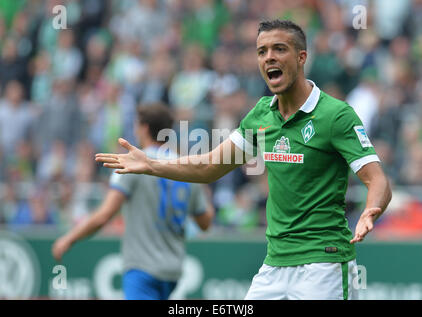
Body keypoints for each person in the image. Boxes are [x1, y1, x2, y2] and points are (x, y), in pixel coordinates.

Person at [95, 20, 392, 300]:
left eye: (279, 49)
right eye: (262, 51)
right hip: (275, 264)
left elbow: (377, 180)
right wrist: (151, 165)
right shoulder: (261, 114)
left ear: (302, 57)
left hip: (323, 263)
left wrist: (371, 211)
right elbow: (211, 166)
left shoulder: (335, 115)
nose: (269, 58)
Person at [52, 103, 214, 300]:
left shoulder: (135, 165)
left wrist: (69, 238)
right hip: (173, 270)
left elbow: (104, 215)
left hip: (142, 267)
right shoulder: (186, 167)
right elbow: (205, 223)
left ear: (144, 128)